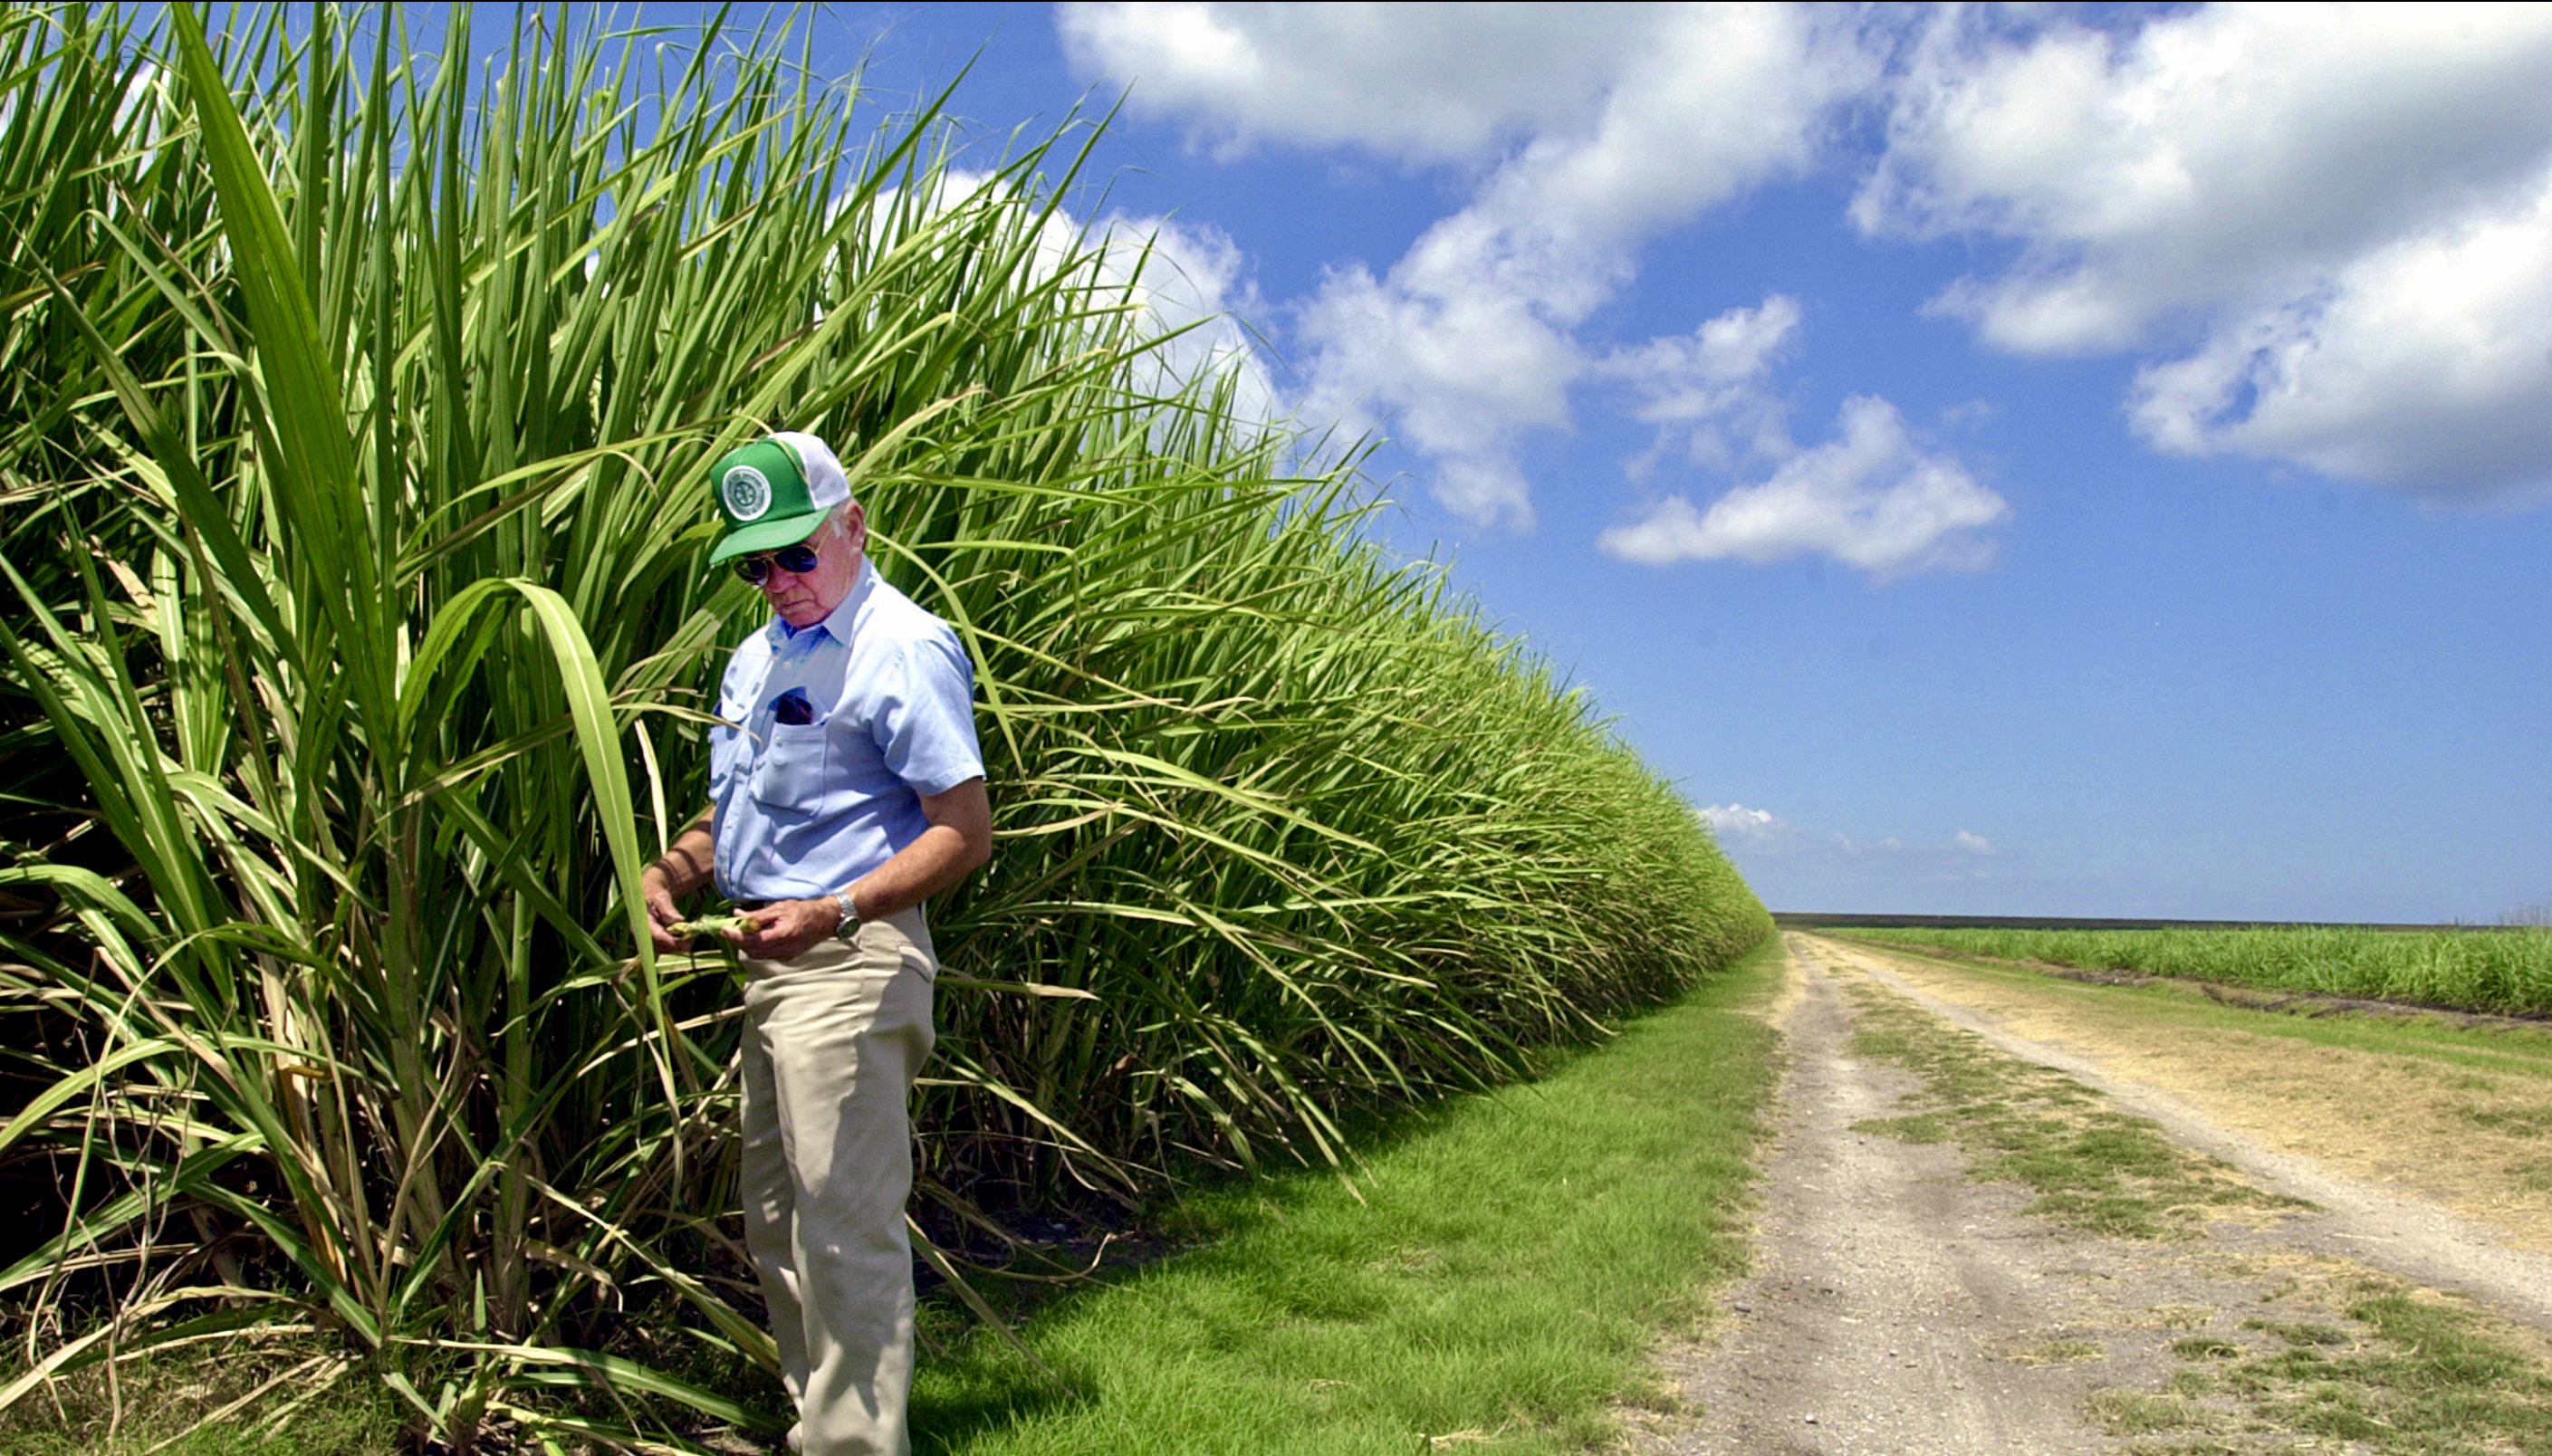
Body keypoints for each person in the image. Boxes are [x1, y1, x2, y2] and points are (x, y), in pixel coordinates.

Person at [640, 430, 991, 1456]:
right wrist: (671, 871)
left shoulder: (901, 647)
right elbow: (738, 810)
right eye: (755, 564)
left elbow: (963, 831)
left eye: (797, 553)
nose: (780, 580)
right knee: (777, 1216)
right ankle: (821, 1428)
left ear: (853, 526)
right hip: (772, 962)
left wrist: (834, 912)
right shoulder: (757, 659)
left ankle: (855, 1447)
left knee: (842, 1222)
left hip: (851, 956)